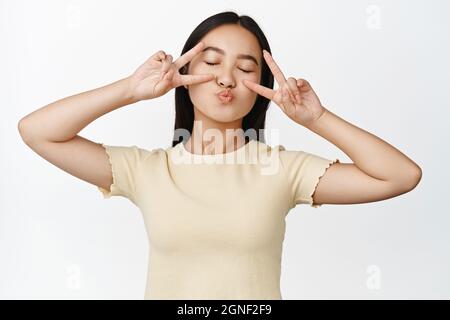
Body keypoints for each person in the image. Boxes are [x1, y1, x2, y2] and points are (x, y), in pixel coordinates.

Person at [18, 11, 422, 300]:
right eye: (211, 63)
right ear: (184, 76)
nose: (227, 78)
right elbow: (37, 132)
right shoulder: (146, 170)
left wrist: (316, 118)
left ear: (262, 85)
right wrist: (129, 89)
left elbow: (400, 176)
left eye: (245, 69)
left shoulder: (283, 169)